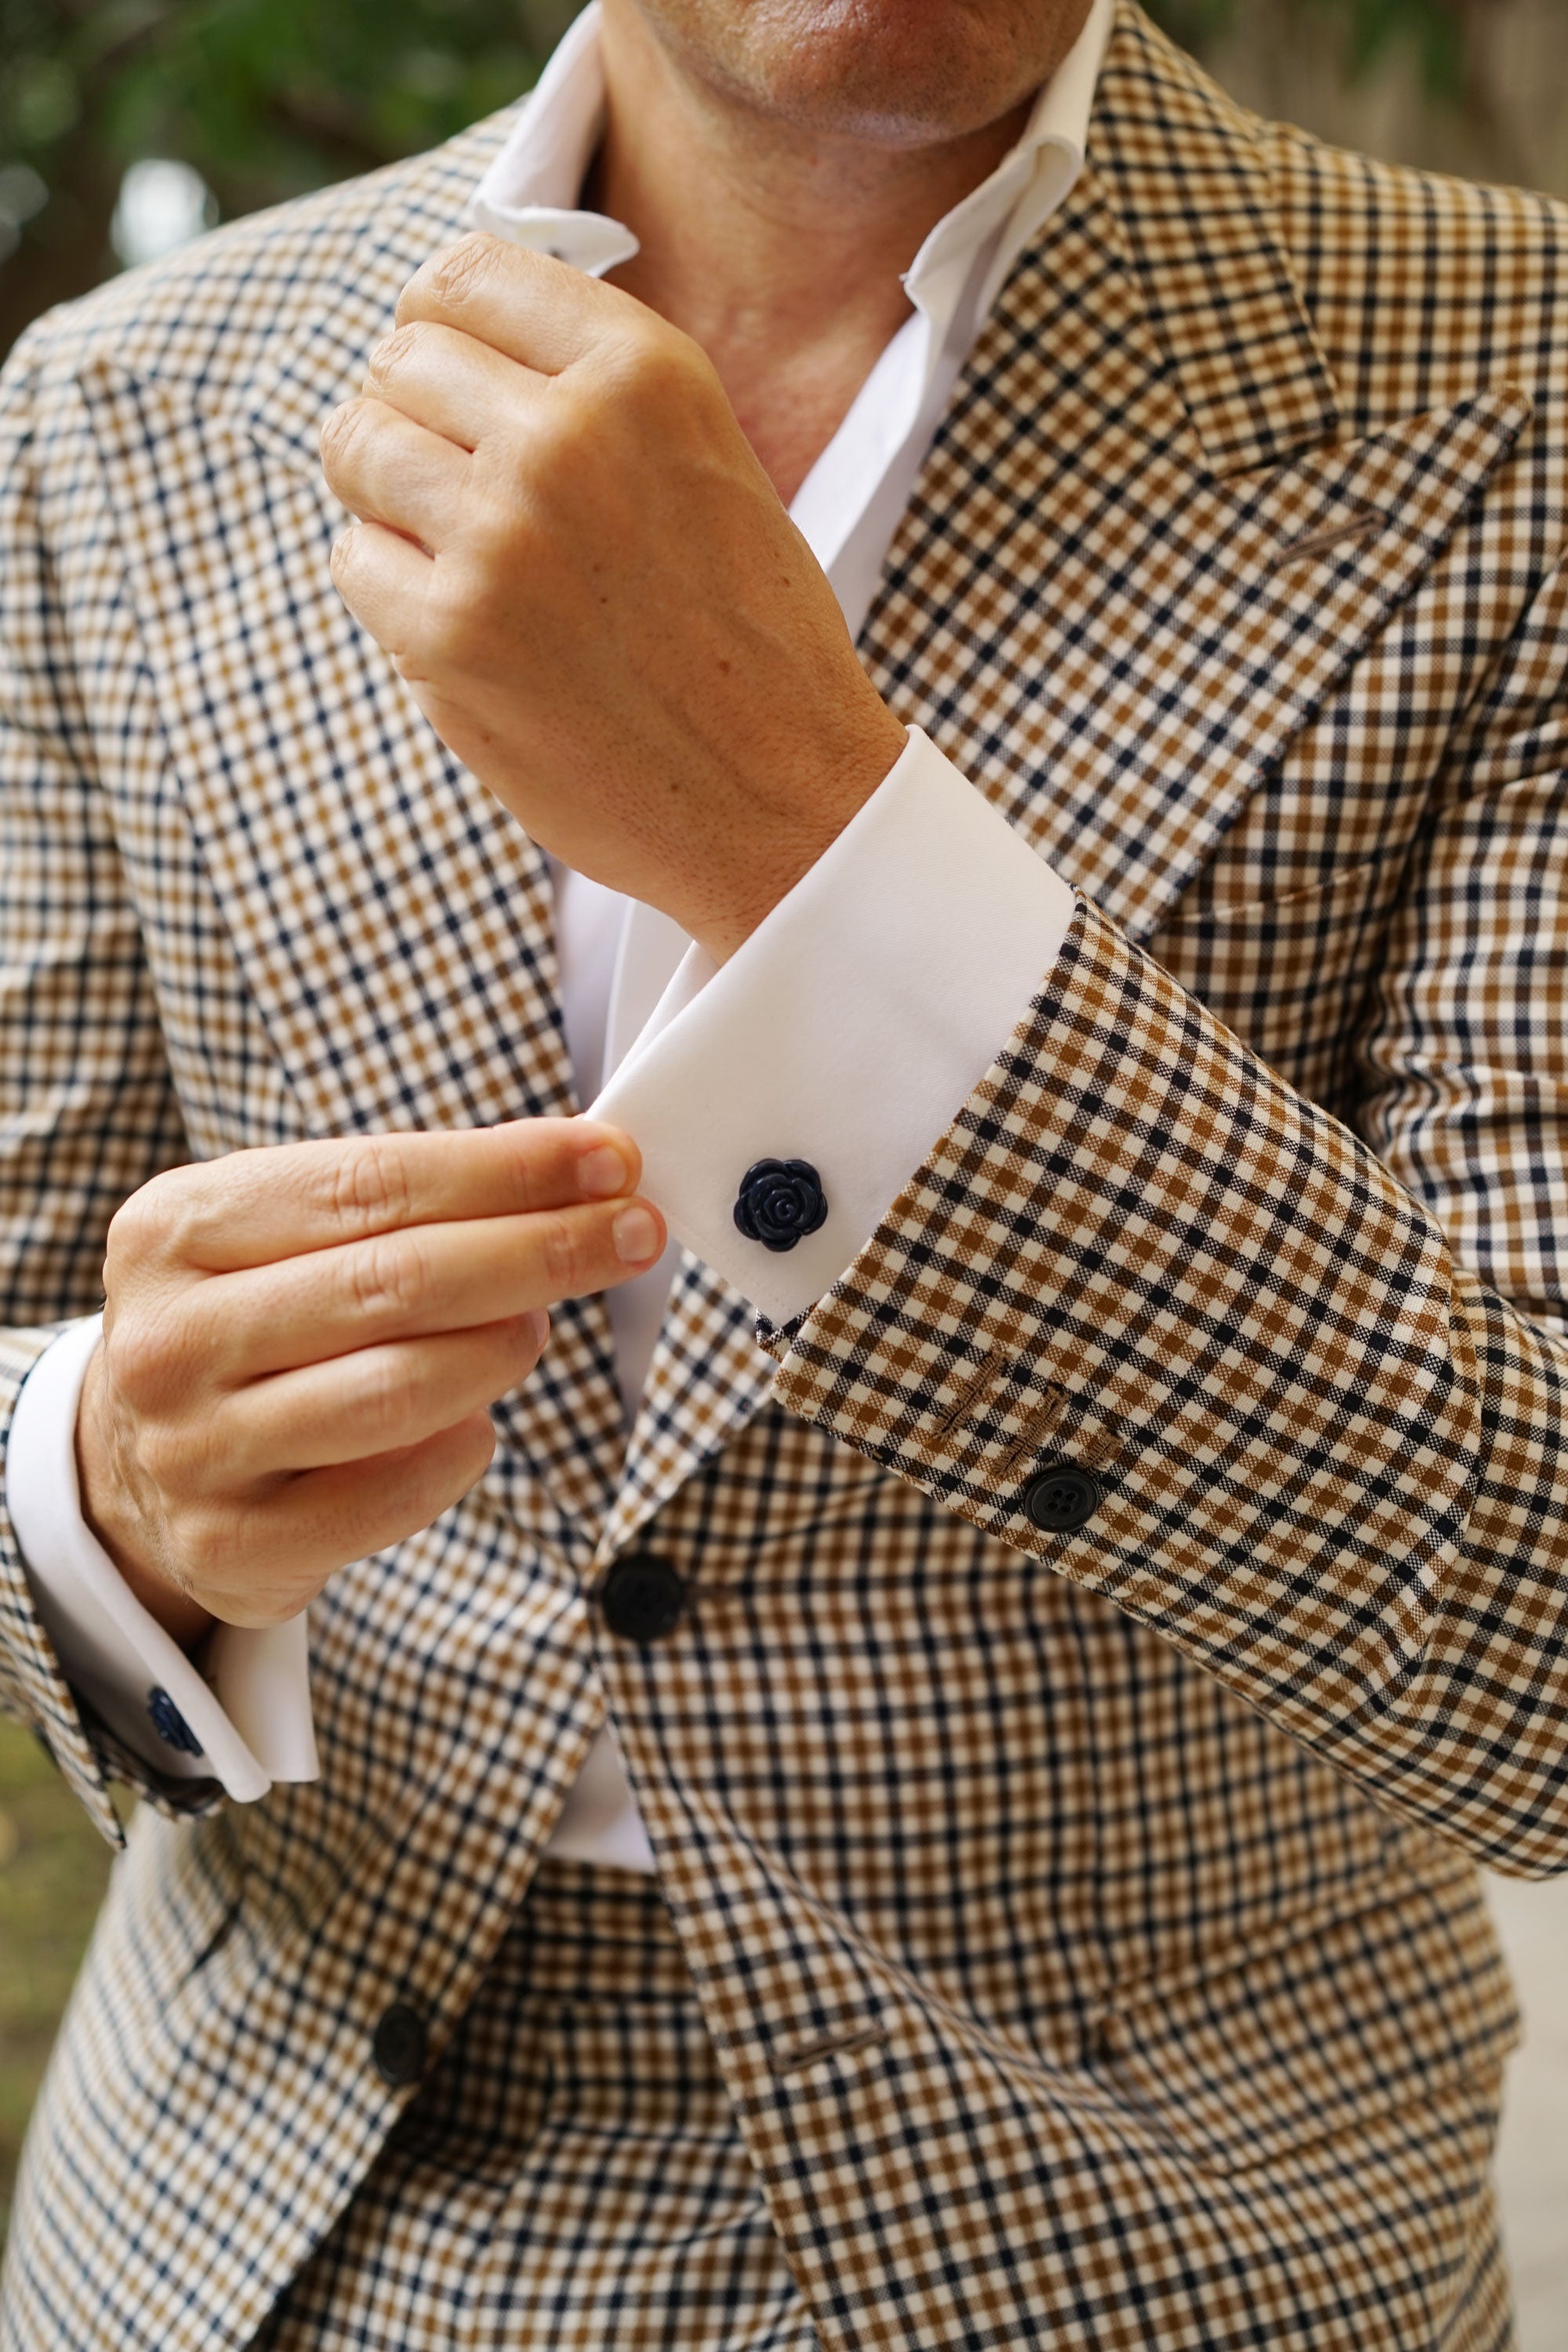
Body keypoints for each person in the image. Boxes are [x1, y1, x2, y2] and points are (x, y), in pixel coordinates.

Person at [2, 0, 1564, 2340]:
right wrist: (105, 1486)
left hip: (1158, 2254)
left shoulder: (1520, 386)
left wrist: (814, 842)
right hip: (246, 2236)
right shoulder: (114, 410)